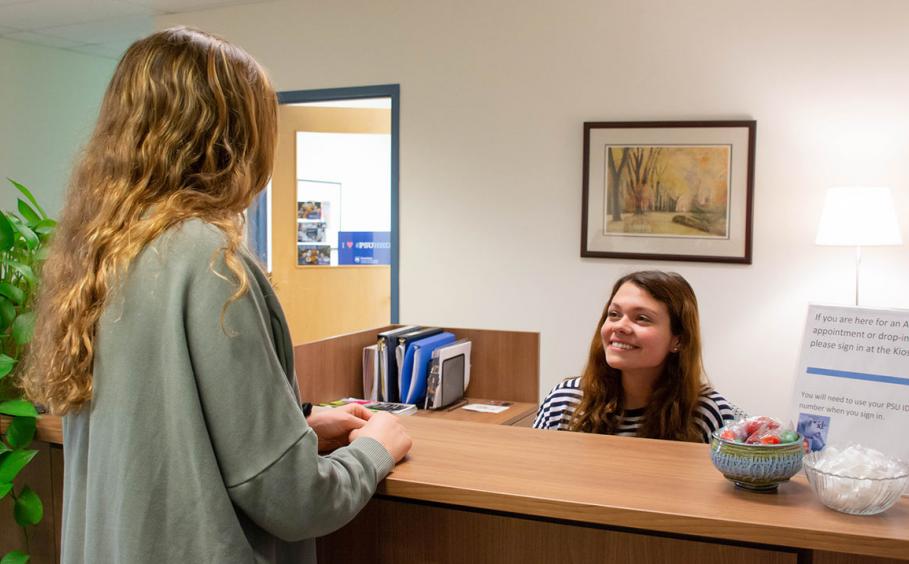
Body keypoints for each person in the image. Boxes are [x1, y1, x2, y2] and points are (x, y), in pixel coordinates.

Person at [20, 27, 411, 564]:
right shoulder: (211, 260)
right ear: (232, 139)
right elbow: (294, 500)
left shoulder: (98, 253)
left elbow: (163, 440)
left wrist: (296, 432)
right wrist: (376, 449)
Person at [533, 270, 739, 442]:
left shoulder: (707, 413)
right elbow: (532, 474)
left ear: (678, 340)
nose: (620, 326)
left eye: (642, 318)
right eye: (614, 314)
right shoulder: (565, 400)